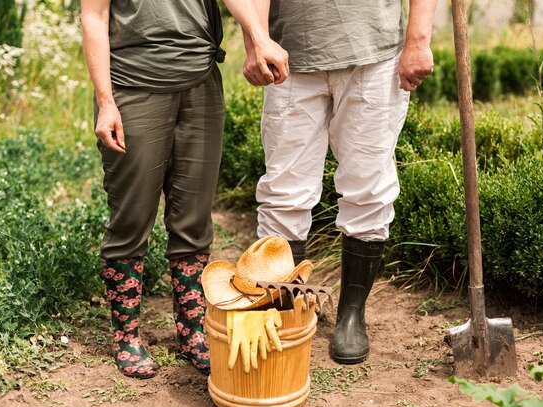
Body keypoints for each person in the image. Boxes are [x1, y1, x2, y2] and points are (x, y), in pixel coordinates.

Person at [81, 0, 288, 379]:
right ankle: (127, 334)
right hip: (133, 87)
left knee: (193, 218)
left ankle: (192, 329)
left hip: (201, 84)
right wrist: (105, 101)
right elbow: (94, 16)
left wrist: (260, 38)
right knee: (131, 216)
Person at [242, 0, 437, 364]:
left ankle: (351, 315)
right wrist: (255, 40)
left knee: (368, 190)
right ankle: (286, 311)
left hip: (375, 54)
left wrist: (419, 38)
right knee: (283, 194)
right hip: (290, 57)